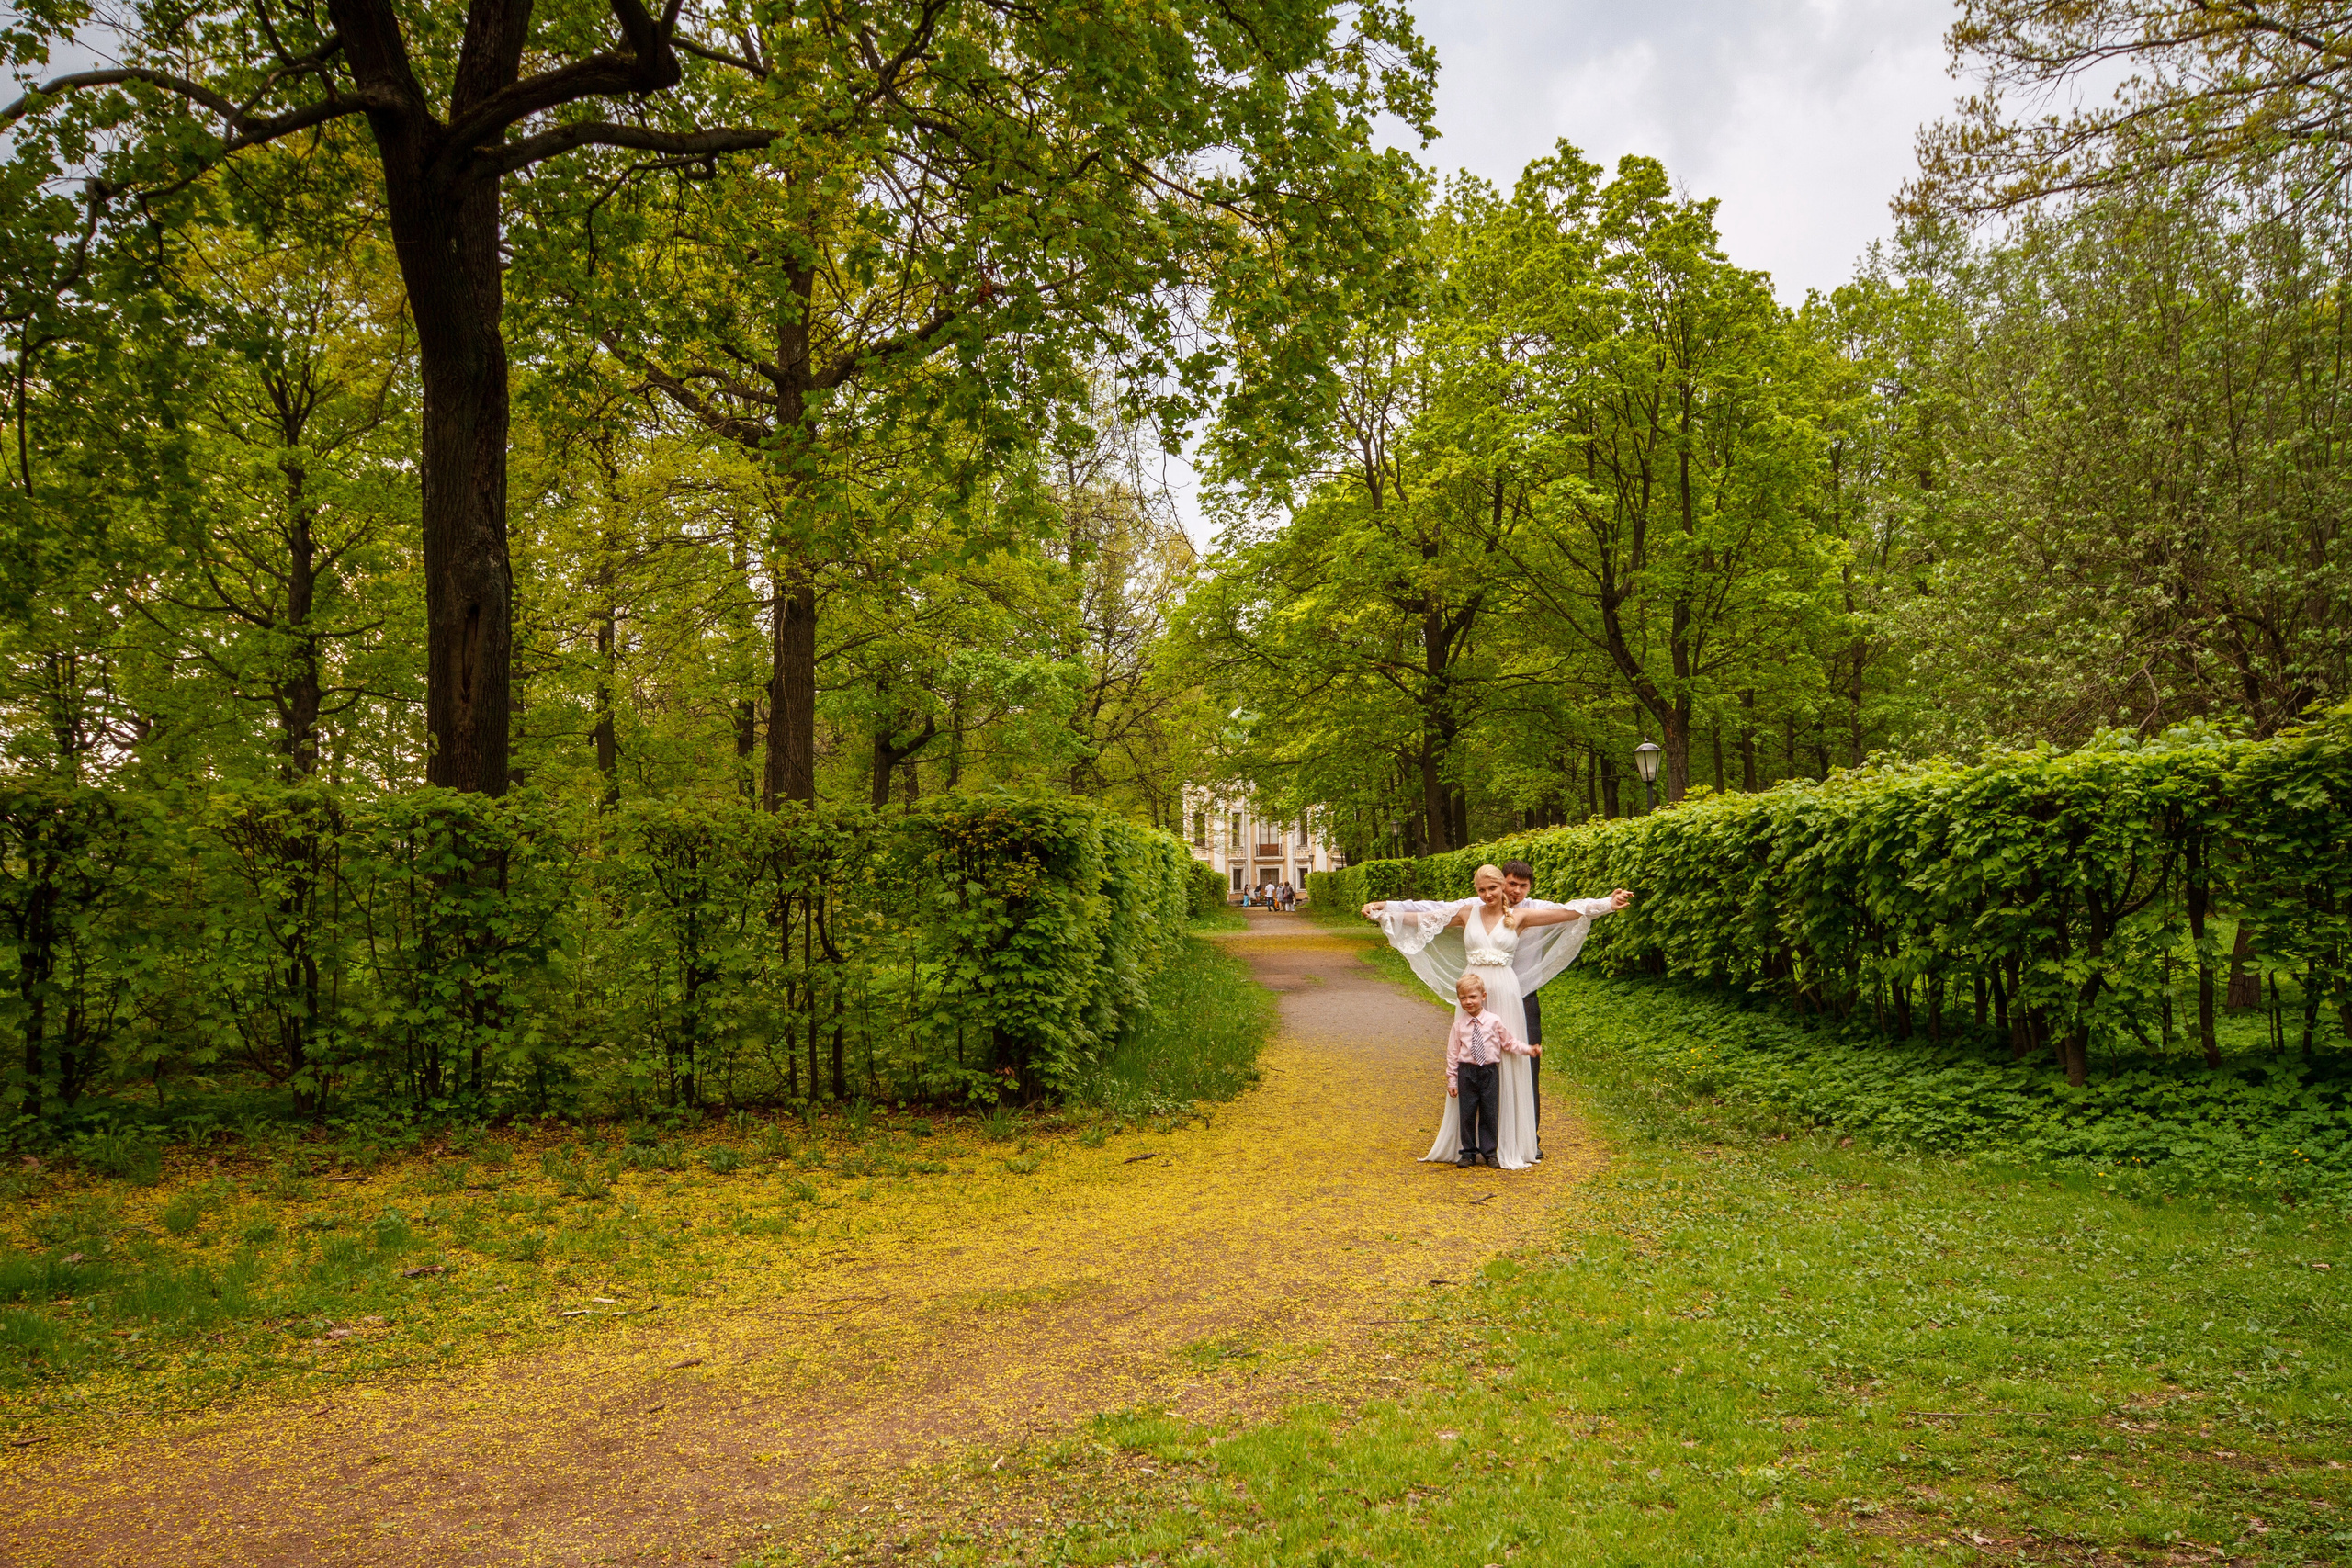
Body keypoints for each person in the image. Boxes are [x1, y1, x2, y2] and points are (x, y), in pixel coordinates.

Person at [1363, 863, 1601, 1169]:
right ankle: (1468, 1143)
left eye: (1494, 888)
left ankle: (1511, 1139)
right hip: (1473, 990)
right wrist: (1385, 912)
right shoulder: (1468, 911)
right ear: (1478, 890)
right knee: (1469, 1058)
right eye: (1482, 889)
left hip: (1508, 992)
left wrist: (1608, 903)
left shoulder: (1524, 914)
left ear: (1503, 887)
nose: (1489, 894)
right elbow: (1426, 915)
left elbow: (1570, 912)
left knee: (1511, 1060)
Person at [1500, 860, 1632, 1144]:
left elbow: (1573, 908)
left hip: (1525, 995)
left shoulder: (1535, 909)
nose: (1517, 891)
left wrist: (1608, 903)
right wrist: (1398, 911)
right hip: (1491, 997)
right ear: (1501, 882)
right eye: (1512, 884)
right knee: (1487, 1067)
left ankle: (1528, 1139)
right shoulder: (1483, 907)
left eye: (1523, 886)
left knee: (1529, 1065)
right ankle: (1490, 1138)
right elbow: (1439, 911)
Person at [1445, 971, 1534, 1168]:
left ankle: (1489, 1152)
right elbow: (1452, 1054)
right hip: (1467, 1072)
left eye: (1473, 996)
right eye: (1463, 998)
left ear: (1483, 996)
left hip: (1489, 1072)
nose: (1468, 1001)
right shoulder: (1458, 1026)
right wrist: (1452, 1080)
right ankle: (1468, 1152)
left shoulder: (1494, 1021)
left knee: (1489, 1112)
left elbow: (1508, 1042)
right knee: (1467, 1113)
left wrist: (1527, 1049)